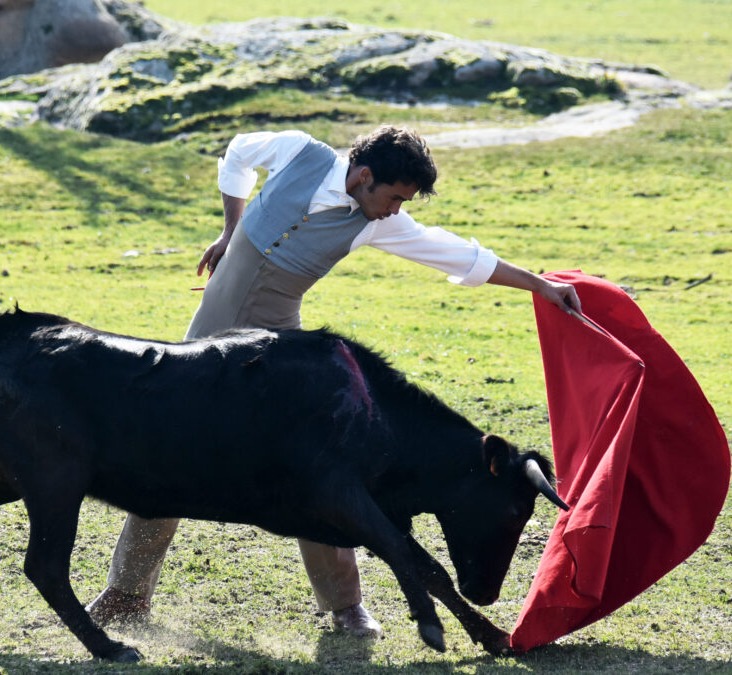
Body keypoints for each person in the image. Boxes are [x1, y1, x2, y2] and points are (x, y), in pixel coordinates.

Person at [86, 125, 581, 638]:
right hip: (203, 349)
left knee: (321, 468)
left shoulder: (376, 222)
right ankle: (125, 594)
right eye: (393, 197)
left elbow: (457, 254)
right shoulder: (299, 151)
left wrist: (541, 286)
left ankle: (346, 606)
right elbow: (236, 155)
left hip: (279, 356)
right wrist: (230, 229)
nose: (395, 210)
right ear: (364, 175)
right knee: (168, 456)